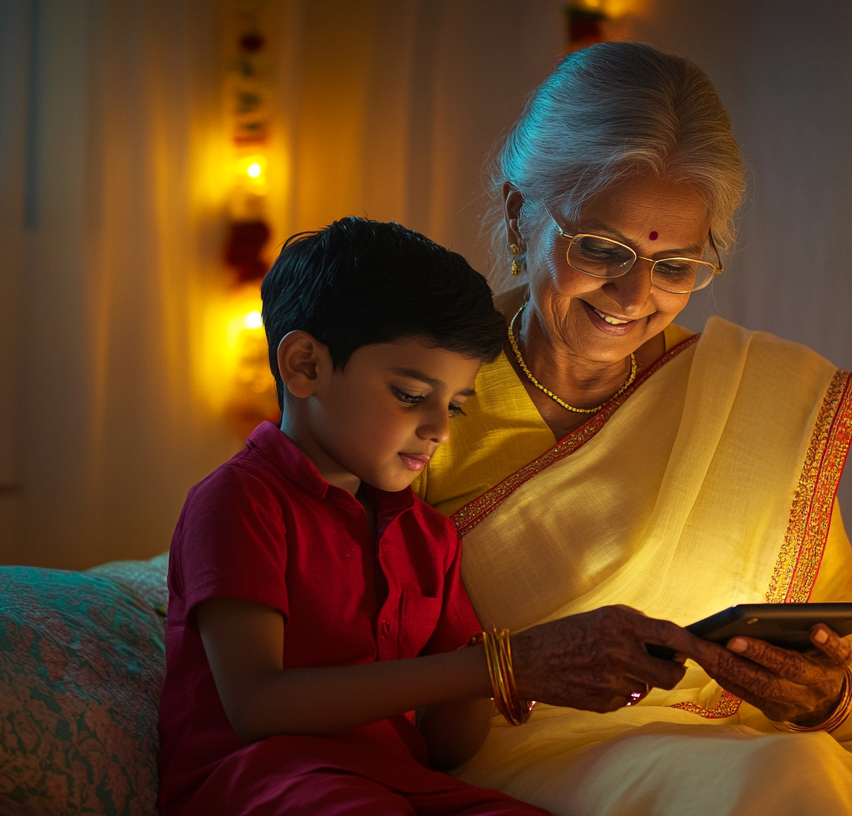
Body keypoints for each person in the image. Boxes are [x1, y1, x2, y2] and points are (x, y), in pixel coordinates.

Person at [414, 43, 852, 815]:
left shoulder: (752, 399)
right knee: (782, 785)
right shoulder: (419, 388)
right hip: (509, 750)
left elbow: (832, 659)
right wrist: (510, 667)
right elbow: (344, 653)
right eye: (600, 249)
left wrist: (822, 697)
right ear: (522, 217)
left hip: (722, 745)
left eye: (675, 266)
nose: (632, 294)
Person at [157, 218, 705, 816]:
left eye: (454, 405)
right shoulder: (239, 500)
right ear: (306, 366)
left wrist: (513, 677)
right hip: (267, 780)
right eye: (412, 396)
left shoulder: (428, 537)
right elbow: (256, 704)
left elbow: (449, 747)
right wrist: (493, 663)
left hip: (404, 783)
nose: (439, 429)